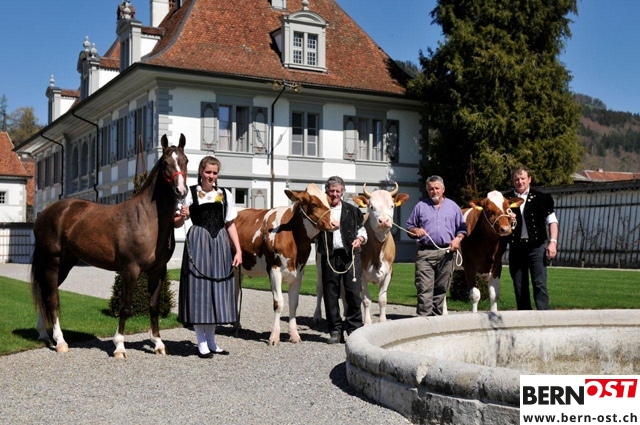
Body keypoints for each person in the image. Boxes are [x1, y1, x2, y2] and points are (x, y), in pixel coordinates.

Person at [174, 156, 243, 358]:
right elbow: (176, 222)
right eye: (208, 172)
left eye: (214, 173)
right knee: (200, 289)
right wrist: (183, 215)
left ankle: (212, 341)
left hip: (220, 242)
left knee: (217, 289)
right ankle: (201, 341)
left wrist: (238, 250)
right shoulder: (190, 193)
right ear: (201, 172)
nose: (211, 176)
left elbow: (230, 224)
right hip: (198, 241)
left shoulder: (225, 194)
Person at [405, 175, 467, 316]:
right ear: (427, 190)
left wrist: (458, 239)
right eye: (431, 189)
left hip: (447, 253)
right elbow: (409, 226)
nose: (434, 191)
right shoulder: (420, 206)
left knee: (441, 290)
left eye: (437, 188)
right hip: (425, 253)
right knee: (424, 289)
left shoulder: (453, 207)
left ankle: (436, 320)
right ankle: (424, 321)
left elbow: (462, 228)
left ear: (443, 189)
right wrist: (415, 230)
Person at [316, 176, 367, 344]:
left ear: (342, 192)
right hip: (329, 255)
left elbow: (361, 230)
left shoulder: (352, 210)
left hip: (350, 255)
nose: (335, 194)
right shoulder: (321, 211)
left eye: (338, 191)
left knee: (353, 292)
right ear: (327, 191)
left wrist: (360, 239)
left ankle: (354, 329)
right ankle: (335, 330)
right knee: (330, 294)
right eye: (332, 191)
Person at [503, 166, 558, 310]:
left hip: (536, 247)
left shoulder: (542, 198)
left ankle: (543, 316)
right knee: (519, 286)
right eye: (516, 179)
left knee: (539, 283)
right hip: (516, 248)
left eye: (522, 178)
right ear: (513, 181)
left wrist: (553, 242)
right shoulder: (505, 200)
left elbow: (552, 221)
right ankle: (524, 317)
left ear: (529, 179)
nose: (520, 182)